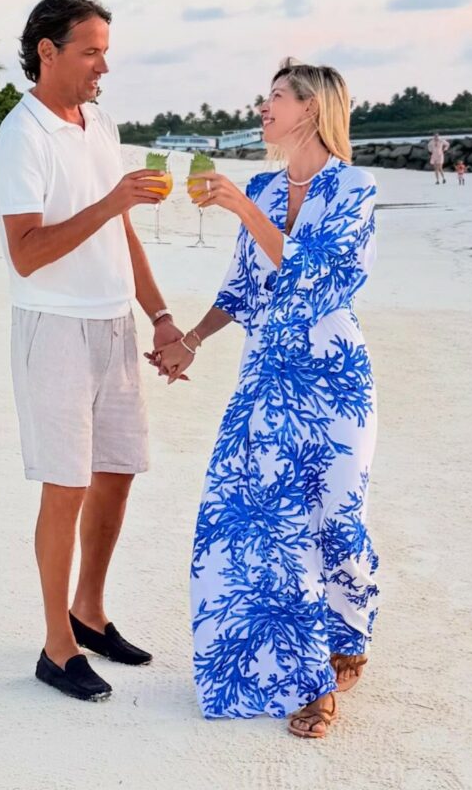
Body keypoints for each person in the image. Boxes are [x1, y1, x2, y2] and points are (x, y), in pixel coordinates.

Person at [154, 59, 379, 739]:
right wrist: (191, 339)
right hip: (265, 380)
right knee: (259, 526)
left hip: (333, 381)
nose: (263, 106)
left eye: (276, 96)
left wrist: (243, 209)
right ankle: (308, 681)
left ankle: (348, 635)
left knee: (336, 521)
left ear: (311, 108)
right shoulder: (259, 186)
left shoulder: (354, 186)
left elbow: (317, 278)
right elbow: (243, 289)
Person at [0, 0, 185, 702]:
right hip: (54, 328)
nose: (104, 66)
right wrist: (111, 202)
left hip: (114, 324)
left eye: (106, 51)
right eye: (91, 52)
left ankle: (90, 612)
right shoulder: (23, 135)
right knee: (66, 485)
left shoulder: (99, 121)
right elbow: (26, 253)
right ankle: (56, 645)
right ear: (48, 52)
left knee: (116, 472)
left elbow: (120, 231)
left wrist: (160, 315)